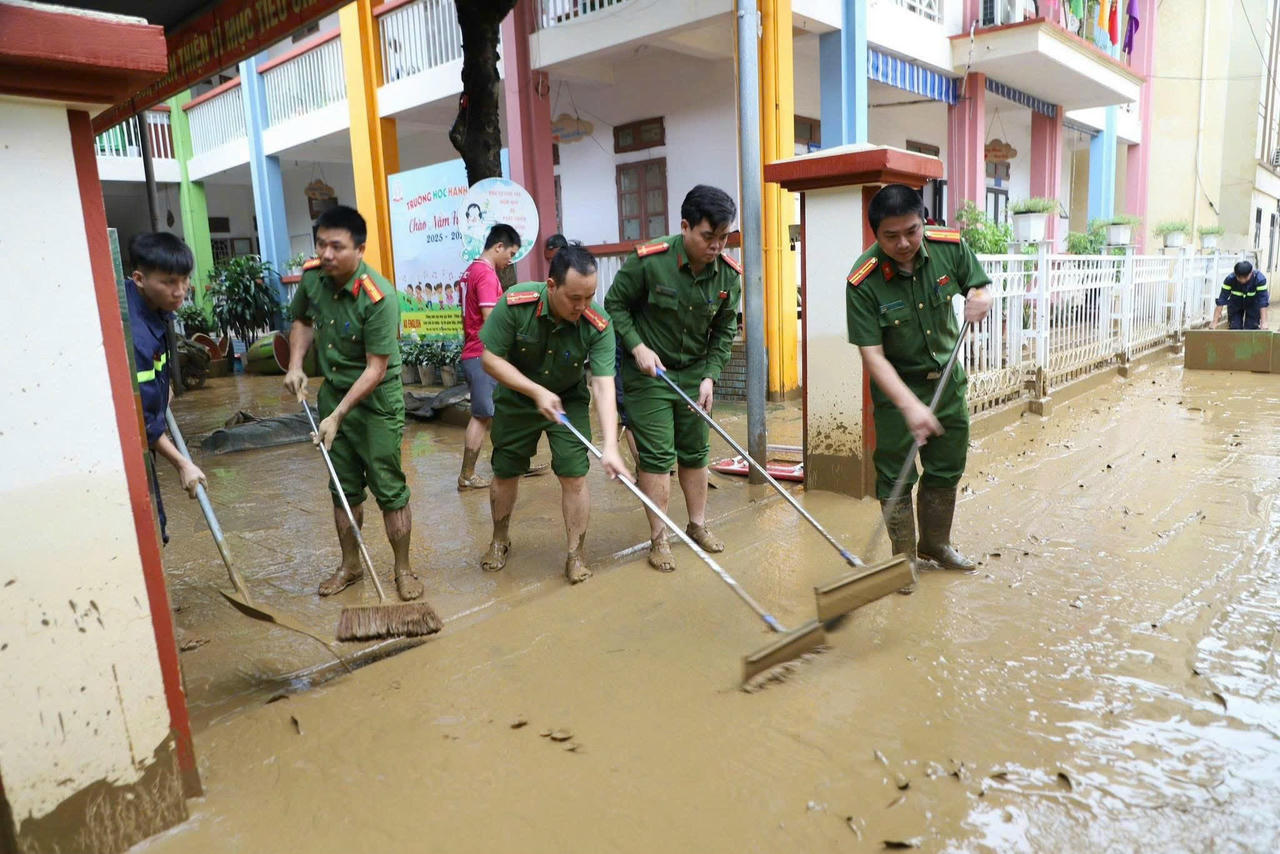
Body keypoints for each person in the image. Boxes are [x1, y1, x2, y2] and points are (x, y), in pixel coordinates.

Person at [844, 184, 992, 590]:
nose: (904, 243)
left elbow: (978, 285)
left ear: (923, 221)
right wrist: (910, 406)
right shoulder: (863, 281)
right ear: (876, 234)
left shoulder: (949, 247)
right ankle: (904, 558)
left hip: (947, 384)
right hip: (898, 392)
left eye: (911, 231)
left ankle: (936, 544)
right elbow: (873, 356)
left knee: (946, 467)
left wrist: (981, 296)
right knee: (896, 476)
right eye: (891, 236)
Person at [283, 205, 422, 601]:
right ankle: (350, 565)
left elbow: (376, 369)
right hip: (332, 396)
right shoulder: (312, 279)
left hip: (376, 402)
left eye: (337, 247)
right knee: (342, 488)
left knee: (389, 487)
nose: (326, 254)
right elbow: (303, 322)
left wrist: (338, 415)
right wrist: (295, 365)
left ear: (359, 250)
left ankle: (403, 568)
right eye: (321, 244)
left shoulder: (379, 297)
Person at [604, 184, 741, 572]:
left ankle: (697, 525)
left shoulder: (728, 277)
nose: (716, 246)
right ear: (685, 226)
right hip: (650, 373)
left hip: (696, 372)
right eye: (707, 237)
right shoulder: (650, 261)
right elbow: (614, 304)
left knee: (696, 453)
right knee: (658, 456)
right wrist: (635, 346)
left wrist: (711, 376)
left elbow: (725, 330)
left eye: (723, 237)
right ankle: (659, 537)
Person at [478, 244, 631, 584]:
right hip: (519, 396)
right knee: (505, 470)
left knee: (575, 474)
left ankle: (576, 553)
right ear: (551, 286)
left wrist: (611, 446)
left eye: (589, 296)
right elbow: (489, 359)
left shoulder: (598, 324)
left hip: (569, 400)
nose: (582, 306)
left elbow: (604, 386)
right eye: (574, 298)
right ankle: (500, 538)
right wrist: (535, 391)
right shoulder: (518, 302)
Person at [126, 232, 207, 545]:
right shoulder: (136, 336)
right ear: (139, 279)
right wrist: (183, 464)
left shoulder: (153, 306)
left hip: (143, 428)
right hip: (127, 444)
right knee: (144, 527)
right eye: (169, 282)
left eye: (185, 280)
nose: (180, 291)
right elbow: (142, 424)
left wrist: (164, 389)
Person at [457, 223, 521, 490]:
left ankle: (513, 463)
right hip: (481, 353)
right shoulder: (485, 274)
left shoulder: (471, 270)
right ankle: (467, 475)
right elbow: (491, 319)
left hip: (475, 351)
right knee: (482, 415)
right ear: (498, 247)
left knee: (496, 411)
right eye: (510, 253)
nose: (510, 260)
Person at [1213, 260, 1269, 330]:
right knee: (1235, 326)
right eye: (1239, 278)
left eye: (1245, 278)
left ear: (1251, 273)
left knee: (1251, 327)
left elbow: (1262, 301)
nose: (1242, 280)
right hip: (1236, 303)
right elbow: (1222, 299)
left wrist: (1264, 322)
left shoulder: (1259, 280)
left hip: (1253, 303)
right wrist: (1214, 322)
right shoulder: (1230, 279)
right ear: (1235, 274)